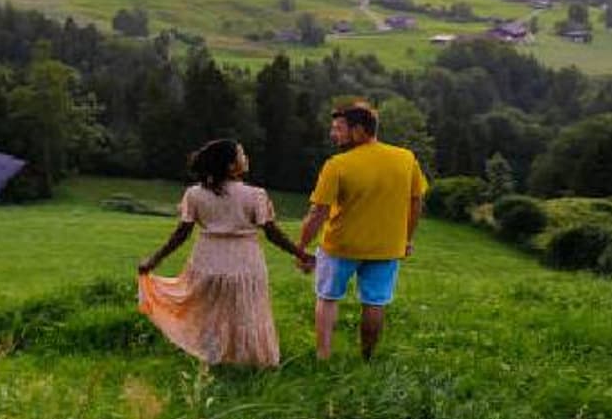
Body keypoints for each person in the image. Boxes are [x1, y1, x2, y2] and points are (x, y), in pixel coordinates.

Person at [137, 139, 314, 368]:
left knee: (209, 315)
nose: (246, 158)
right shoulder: (255, 195)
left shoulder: (194, 194)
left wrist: (154, 260)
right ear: (231, 166)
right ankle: (251, 362)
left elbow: (181, 234)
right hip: (245, 265)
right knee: (247, 315)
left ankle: (213, 360)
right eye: (241, 155)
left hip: (207, 263)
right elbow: (272, 233)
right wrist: (301, 254)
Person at [297, 101, 427, 361]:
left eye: (338, 129)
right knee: (375, 303)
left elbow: (318, 212)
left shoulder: (337, 164)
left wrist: (300, 247)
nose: (333, 134)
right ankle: (366, 358)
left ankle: (323, 356)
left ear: (358, 130)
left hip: (340, 246)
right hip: (387, 248)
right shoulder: (406, 158)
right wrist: (406, 239)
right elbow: (416, 203)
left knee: (327, 298)